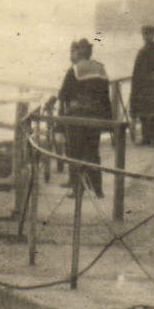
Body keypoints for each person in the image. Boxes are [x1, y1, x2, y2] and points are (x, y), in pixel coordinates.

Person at [58, 39, 112, 198]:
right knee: (93, 152)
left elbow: (63, 95)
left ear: (79, 52)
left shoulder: (74, 70)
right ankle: (98, 189)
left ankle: (78, 189)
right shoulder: (101, 69)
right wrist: (108, 121)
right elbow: (105, 97)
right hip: (96, 116)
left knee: (75, 152)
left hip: (77, 117)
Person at [128, 24, 154, 147]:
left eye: (148, 34)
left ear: (153, 35)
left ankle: (151, 138)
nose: (146, 37)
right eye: (145, 34)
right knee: (145, 113)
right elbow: (136, 73)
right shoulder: (153, 51)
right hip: (145, 87)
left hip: (149, 87)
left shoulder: (153, 51)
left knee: (149, 113)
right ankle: (147, 137)